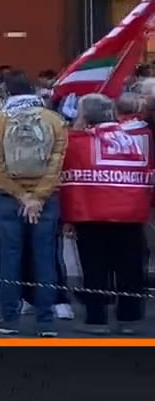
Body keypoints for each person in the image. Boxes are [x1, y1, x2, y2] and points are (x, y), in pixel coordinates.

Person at [0, 75, 68, 336]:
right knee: (45, 258)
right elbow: (57, 160)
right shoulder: (54, 120)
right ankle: (46, 321)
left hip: (10, 198)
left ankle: (9, 319)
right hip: (45, 200)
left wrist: (21, 196)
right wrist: (38, 197)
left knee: (10, 257)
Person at [62, 93, 151, 335]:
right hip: (131, 214)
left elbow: (65, 173)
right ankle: (129, 319)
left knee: (94, 268)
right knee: (129, 267)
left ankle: (97, 319)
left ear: (85, 115)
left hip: (91, 216)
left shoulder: (76, 140)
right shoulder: (140, 138)